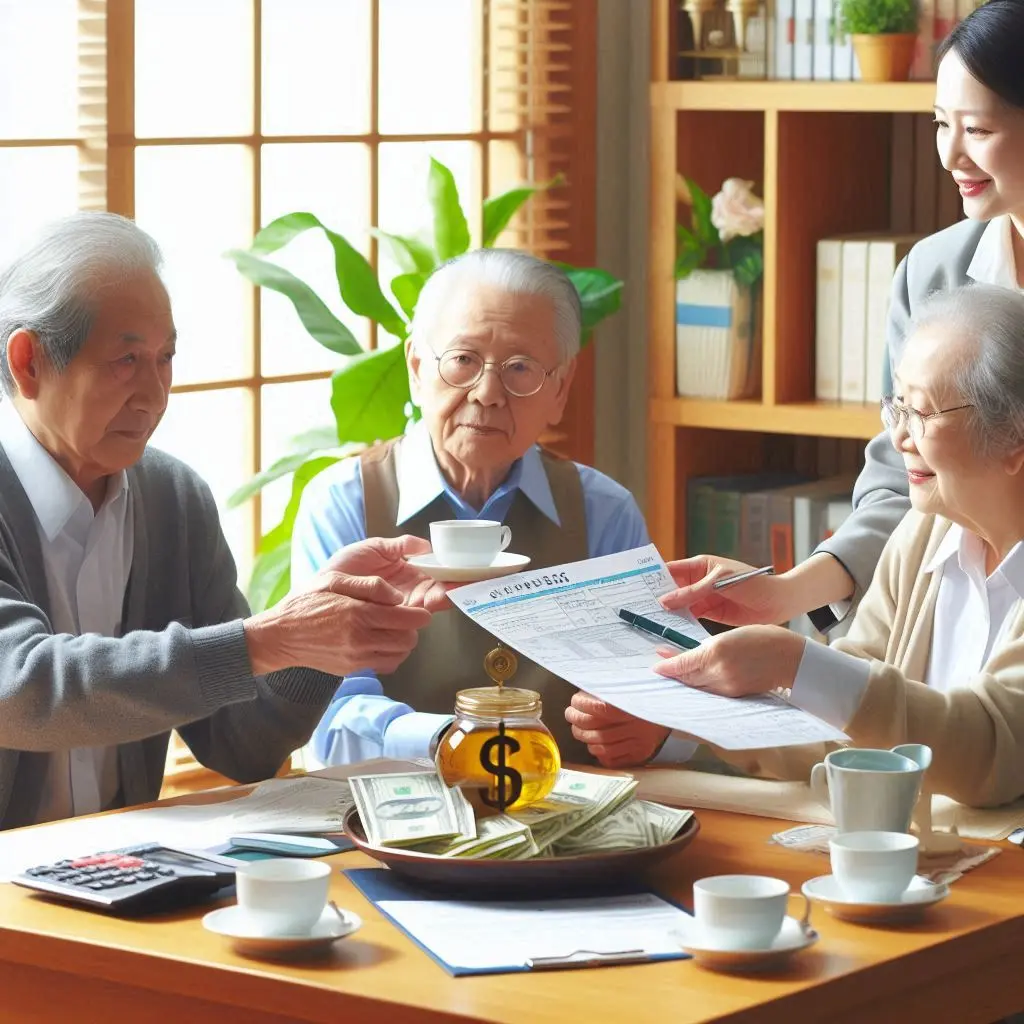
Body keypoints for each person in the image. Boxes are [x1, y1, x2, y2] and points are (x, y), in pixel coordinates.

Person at [0, 212, 445, 830]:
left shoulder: (171, 497)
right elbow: (20, 691)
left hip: (112, 874)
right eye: (126, 360)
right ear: (28, 362)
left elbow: (242, 745)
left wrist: (320, 633)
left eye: (165, 357)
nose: (155, 394)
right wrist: (264, 641)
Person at [661, 0, 1024, 633]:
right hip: (962, 600)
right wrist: (787, 593)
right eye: (941, 125)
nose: (950, 156)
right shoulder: (931, 271)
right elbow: (901, 472)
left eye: (980, 130)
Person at [647, 285, 1024, 807]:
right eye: (898, 406)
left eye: (925, 413)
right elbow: (838, 727)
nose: (899, 439)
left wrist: (795, 662)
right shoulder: (921, 537)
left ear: (1014, 440)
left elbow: (992, 746)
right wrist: (677, 722)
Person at [292, 248, 661, 767]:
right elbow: (327, 721)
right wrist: (455, 743)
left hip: (569, 818)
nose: (487, 393)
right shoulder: (345, 502)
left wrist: (654, 726)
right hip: (397, 815)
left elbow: (657, 688)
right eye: (463, 360)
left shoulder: (603, 511)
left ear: (561, 389)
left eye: (520, 369)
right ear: (417, 368)